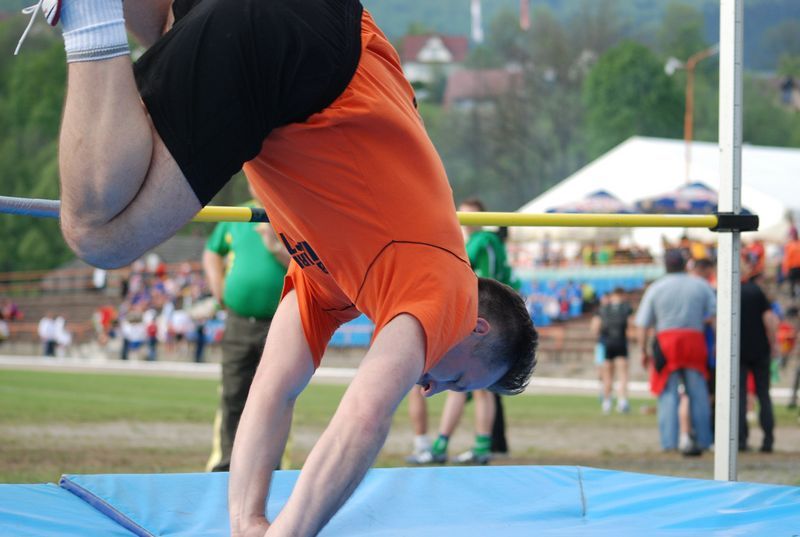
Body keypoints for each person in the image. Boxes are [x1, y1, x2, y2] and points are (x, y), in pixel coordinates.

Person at [31, 1, 539, 535]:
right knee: (98, 234)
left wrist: (247, 521)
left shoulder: (334, 287)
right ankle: (89, 11)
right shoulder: (448, 293)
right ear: (477, 327)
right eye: (455, 379)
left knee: (168, 27)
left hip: (307, 40)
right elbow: (364, 416)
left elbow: (273, 389)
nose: (431, 387)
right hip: (308, 60)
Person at [406, 198, 518, 465]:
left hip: (484, 317)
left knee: (479, 385)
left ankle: (478, 446)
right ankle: (442, 445)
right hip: (469, 315)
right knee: (459, 382)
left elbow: (489, 284)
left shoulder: (486, 242)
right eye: (462, 214)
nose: (464, 220)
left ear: (482, 217)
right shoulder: (468, 243)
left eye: (470, 215)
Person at [203, 194, 290, 473]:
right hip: (239, 320)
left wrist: (275, 247)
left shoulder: (291, 209)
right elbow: (211, 251)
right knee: (233, 393)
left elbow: (310, 267)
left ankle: (270, 465)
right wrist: (217, 286)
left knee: (275, 396)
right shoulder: (236, 215)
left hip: (280, 322)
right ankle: (227, 463)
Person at [635, 250, 716, 455]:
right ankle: (704, 440)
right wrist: (715, 343)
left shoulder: (656, 288)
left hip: (666, 342)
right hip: (694, 340)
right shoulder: (701, 285)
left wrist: (643, 349)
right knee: (698, 393)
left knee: (667, 393)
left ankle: (669, 442)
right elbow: (715, 315)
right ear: (685, 264)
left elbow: (643, 324)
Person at [738, 261, 778, 452]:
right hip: (760, 348)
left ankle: (740, 439)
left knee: (738, 395)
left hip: (737, 350)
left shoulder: (729, 293)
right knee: (763, 394)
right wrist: (774, 343)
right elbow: (769, 319)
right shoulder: (756, 292)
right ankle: (768, 440)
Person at [590, 287, 633, 414]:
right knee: (622, 375)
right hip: (621, 342)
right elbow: (631, 326)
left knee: (607, 376)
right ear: (622, 295)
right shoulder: (626, 308)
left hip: (607, 343)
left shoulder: (602, 309)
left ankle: (607, 403)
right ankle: (622, 402)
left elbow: (595, 328)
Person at [782, 233, 800, 299]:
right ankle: (794, 296)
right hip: (794, 267)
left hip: (794, 267)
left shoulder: (790, 245)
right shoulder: (790, 245)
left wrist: (785, 269)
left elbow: (787, 258)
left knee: (793, 282)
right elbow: (787, 258)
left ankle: (794, 296)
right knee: (793, 283)